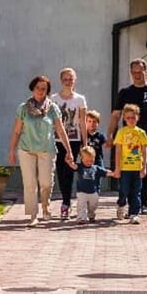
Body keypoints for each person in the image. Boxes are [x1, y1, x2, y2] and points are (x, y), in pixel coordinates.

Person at [8, 75, 75, 227]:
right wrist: (11, 150)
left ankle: (45, 206)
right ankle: (33, 215)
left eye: (43, 89)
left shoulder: (52, 108)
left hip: (47, 150)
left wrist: (69, 151)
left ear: (47, 91)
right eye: (37, 88)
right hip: (26, 149)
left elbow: (60, 130)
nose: (40, 91)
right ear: (33, 88)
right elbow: (17, 131)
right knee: (30, 183)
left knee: (46, 183)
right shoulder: (23, 108)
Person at [106, 58, 147, 215]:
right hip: (126, 142)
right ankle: (127, 202)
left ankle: (143, 203)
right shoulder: (125, 93)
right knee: (126, 173)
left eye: (139, 72)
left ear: (145, 71)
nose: (137, 75)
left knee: (144, 170)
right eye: (134, 73)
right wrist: (110, 134)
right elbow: (115, 115)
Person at [51, 67, 87, 220]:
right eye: (65, 79)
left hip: (73, 139)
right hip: (57, 140)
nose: (68, 82)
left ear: (75, 80)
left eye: (70, 79)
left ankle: (66, 202)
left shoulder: (80, 99)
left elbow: (82, 122)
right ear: (61, 81)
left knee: (70, 171)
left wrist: (85, 143)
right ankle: (65, 202)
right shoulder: (53, 99)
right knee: (60, 170)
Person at [113, 104, 147, 224]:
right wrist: (117, 168)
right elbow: (118, 151)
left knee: (136, 192)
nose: (131, 120)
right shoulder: (121, 132)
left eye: (133, 117)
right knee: (124, 190)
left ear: (138, 117)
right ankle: (121, 204)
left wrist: (144, 167)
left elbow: (144, 152)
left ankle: (134, 213)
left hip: (137, 167)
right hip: (124, 168)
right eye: (128, 118)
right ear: (124, 118)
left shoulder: (141, 133)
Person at [72, 146, 118, 223]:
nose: (89, 162)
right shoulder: (80, 167)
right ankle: (81, 218)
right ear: (82, 159)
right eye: (86, 160)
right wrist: (69, 162)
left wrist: (113, 174)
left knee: (93, 206)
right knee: (81, 205)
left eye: (91, 160)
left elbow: (105, 172)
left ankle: (91, 215)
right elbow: (73, 166)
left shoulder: (96, 168)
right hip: (81, 191)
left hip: (93, 192)